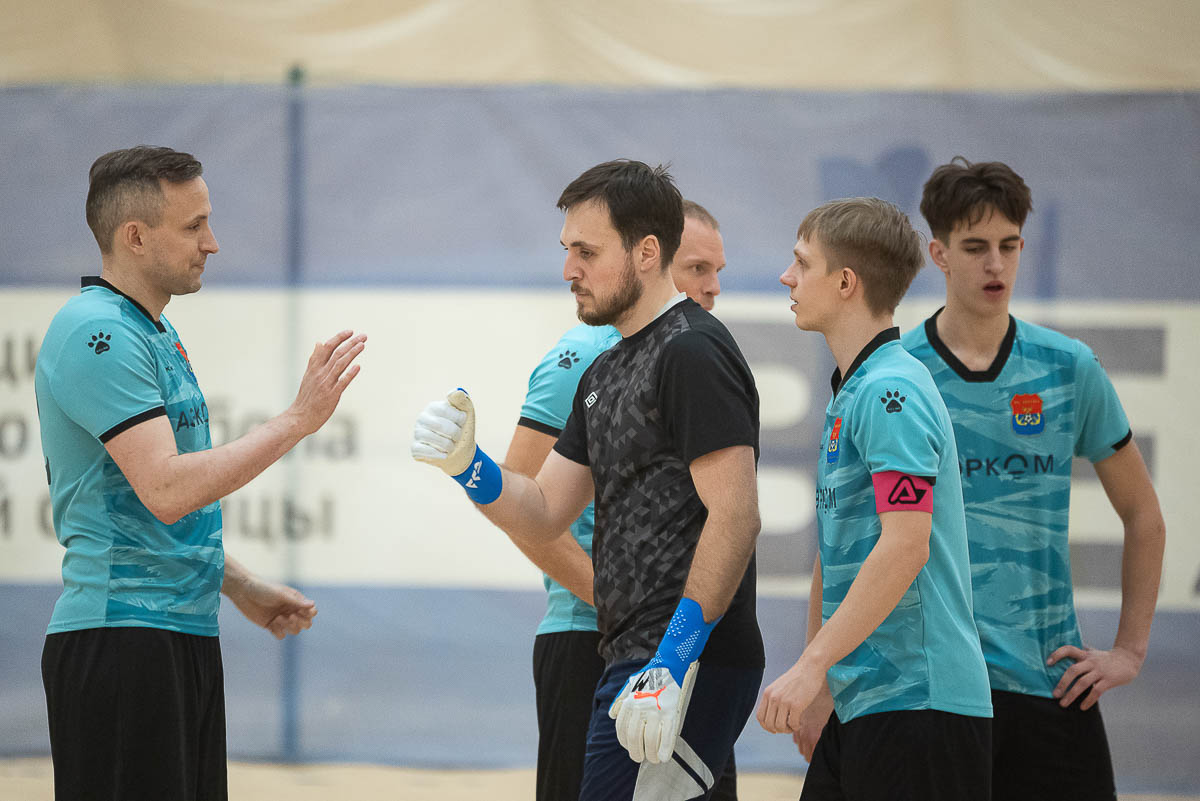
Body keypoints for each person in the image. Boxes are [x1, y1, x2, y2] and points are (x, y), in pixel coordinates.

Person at [413, 160, 763, 801]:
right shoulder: (605, 370)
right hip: (630, 657)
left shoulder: (693, 351)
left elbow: (736, 516)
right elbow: (545, 509)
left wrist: (673, 661)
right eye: (567, 250)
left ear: (647, 253)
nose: (568, 269)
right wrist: (470, 466)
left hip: (688, 663)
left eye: (587, 252)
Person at [35, 145, 366, 801]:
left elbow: (153, 504)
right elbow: (166, 489)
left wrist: (236, 583)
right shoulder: (97, 332)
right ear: (135, 237)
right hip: (120, 640)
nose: (212, 243)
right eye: (194, 226)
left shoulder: (152, 331)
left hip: (174, 634)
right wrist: (296, 420)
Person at [900, 157, 1166, 800]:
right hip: (933, 691)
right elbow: (845, 536)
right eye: (975, 248)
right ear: (939, 253)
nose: (996, 264)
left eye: (1009, 245)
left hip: (1050, 684)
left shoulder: (1068, 368)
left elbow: (1144, 516)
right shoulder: (900, 374)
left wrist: (1128, 652)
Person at [501, 198, 737, 801]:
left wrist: (678, 637)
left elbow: (732, 515)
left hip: (678, 637)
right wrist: (611, 603)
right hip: (593, 634)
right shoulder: (586, 357)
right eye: (698, 269)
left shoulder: (692, 351)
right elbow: (527, 502)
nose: (712, 288)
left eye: (717, 271)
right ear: (652, 258)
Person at [759, 197, 992, 800]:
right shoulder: (855, 390)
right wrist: (824, 682)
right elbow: (838, 548)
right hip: (867, 701)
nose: (786, 277)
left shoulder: (891, 391)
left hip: (920, 705)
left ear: (845, 283)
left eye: (801, 262)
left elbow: (906, 545)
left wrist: (811, 668)